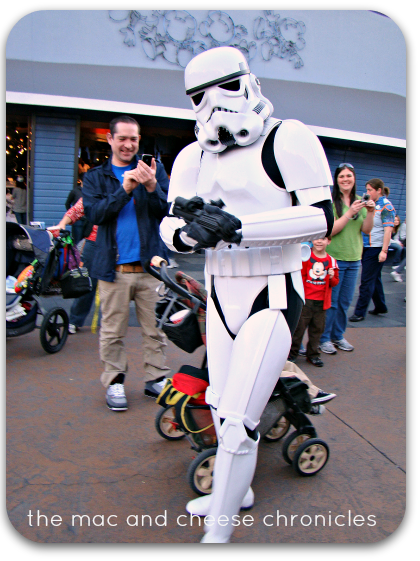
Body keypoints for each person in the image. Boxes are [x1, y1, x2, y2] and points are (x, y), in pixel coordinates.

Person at [160, 46, 335, 543]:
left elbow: (318, 214)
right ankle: (238, 492)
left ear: (249, 83)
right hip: (219, 294)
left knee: (238, 417)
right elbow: (170, 227)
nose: (216, 106)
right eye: (200, 97)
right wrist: (191, 235)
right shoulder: (192, 157)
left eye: (227, 88)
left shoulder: (287, 138)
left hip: (273, 293)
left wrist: (239, 228)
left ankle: (219, 531)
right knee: (222, 404)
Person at [82, 115, 171, 411]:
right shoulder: (96, 177)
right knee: (112, 331)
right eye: (122, 138)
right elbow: (95, 215)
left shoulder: (154, 172)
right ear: (110, 139)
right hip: (113, 267)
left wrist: (150, 185)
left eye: (133, 139)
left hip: (150, 268)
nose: (128, 144)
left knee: (155, 329)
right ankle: (115, 380)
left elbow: (165, 212)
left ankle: (156, 378)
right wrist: (126, 188)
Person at [318, 164, 375, 354]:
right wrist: (349, 213)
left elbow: (366, 230)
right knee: (331, 302)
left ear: (354, 178)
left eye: (349, 176)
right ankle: (323, 338)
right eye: (341, 176)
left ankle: (338, 336)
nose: (345, 179)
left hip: (354, 258)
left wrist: (372, 212)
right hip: (334, 259)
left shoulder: (361, 201)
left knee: (344, 302)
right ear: (336, 180)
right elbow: (330, 230)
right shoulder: (331, 203)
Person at [289, 236, 339, 367]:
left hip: (321, 302)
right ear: (311, 240)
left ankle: (313, 354)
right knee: (299, 330)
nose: (319, 241)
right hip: (306, 301)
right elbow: (300, 277)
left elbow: (334, 283)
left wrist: (332, 277)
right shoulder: (306, 257)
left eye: (323, 239)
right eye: (316, 239)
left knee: (317, 330)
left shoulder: (332, 261)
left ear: (329, 241)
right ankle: (292, 354)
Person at [349, 179, 395, 321]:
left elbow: (388, 230)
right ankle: (381, 306)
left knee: (367, 281)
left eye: (370, 190)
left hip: (375, 248)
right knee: (374, 278)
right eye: (367, 190)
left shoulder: (386, 206)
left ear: (378, 190)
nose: (367, 193)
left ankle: (359, 312)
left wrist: (384, 251)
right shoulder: (371, 204)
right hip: (366, 246)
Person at [53, 197, 98, 334]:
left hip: (119, 243)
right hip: (93, 242)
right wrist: (62, 224)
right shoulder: (94, 192)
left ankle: (115, 325)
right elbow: (76, 210)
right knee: (86, 282)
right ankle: (74, 320)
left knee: (118, 285)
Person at [65, 178, 84, 244]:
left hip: (88, 221)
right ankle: (76, 254)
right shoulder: (75, 191)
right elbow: (67, 203)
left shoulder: (90, 191)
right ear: (81, 180)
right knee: (77, 241)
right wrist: (72, 215)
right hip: (78, 221)